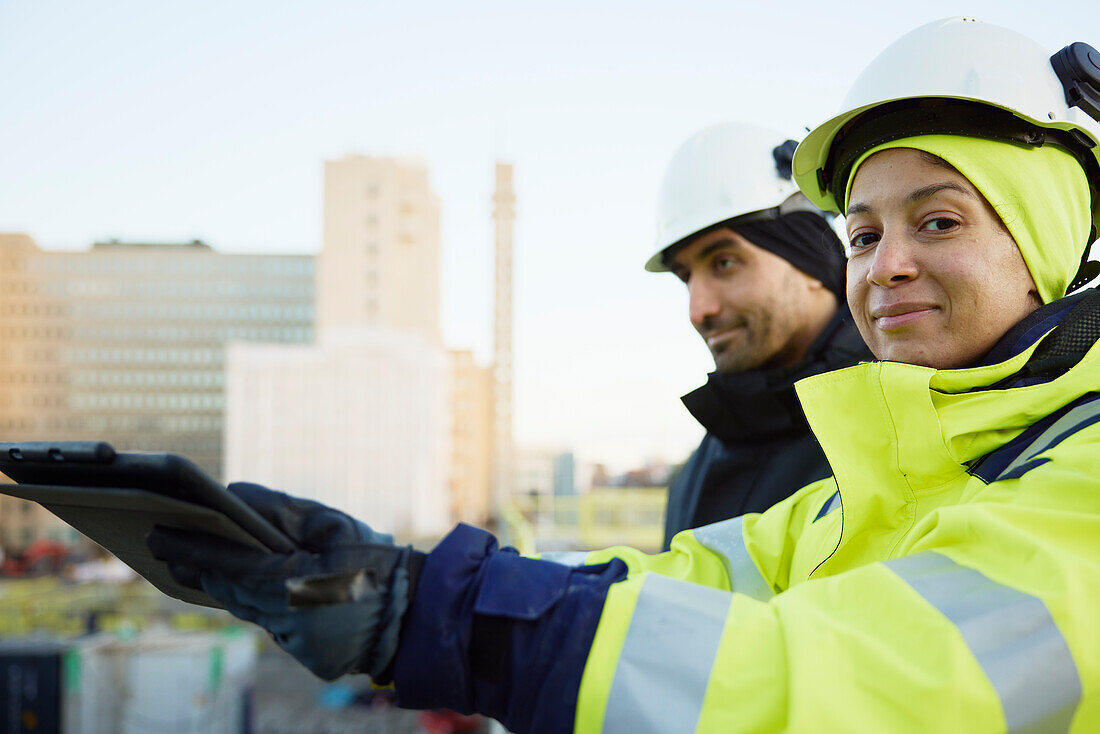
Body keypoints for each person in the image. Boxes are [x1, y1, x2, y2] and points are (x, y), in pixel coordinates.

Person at [149, 17, 1100, 733]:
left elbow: (833, 675)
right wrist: (412, 581)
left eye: (938, 221)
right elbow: (671, 585)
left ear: (1045, 239)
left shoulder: (1081, 476)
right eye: (863, 232)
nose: (885, 264)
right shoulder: (848, 498)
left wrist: (445, 623)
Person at [649, 123, 869, 548]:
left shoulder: (907, 420)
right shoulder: (694, 473)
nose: (699, 310)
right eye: (685, 277)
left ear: (810, 260)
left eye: (725, 263)